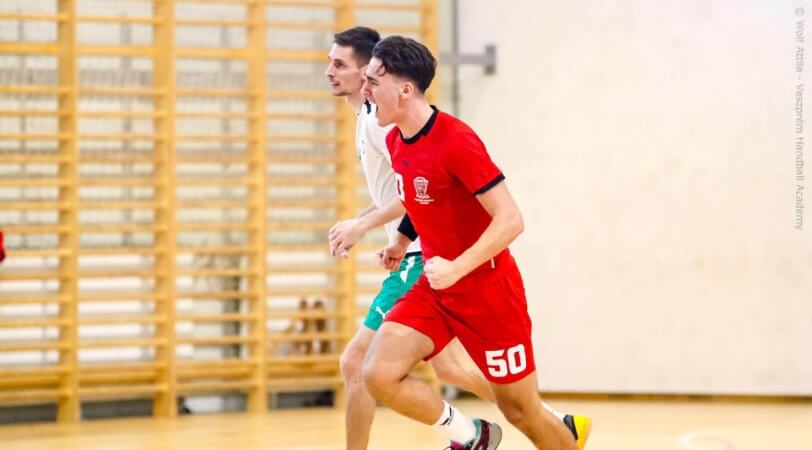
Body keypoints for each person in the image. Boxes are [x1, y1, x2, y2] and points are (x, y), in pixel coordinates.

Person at [326, 29, 590, 450]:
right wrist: (400, 242)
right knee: (375, 371)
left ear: (405, 89)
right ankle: (472, 436)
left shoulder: (456, 141)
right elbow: (416, 198)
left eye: (373, 81)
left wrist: (457, 267)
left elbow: (511, 219)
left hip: (487, 290)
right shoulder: (395, 139)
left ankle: (538, 427)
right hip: (435, 289)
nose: (367, 90)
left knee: (520, 410)